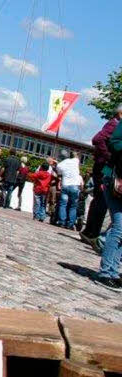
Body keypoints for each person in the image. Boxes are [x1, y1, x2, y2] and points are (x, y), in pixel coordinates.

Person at [82, 106, 122, 249]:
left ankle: (91, 233)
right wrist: (107, 155)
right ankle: (95, 235)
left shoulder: (114, 124)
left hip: (107, 167)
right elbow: (97, 139)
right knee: (103, 198)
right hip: (106, 166)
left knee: (101, 197)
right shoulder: (114, 124)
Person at [95, 121, 122, 290]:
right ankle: (106, 272)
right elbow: (115, 142)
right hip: (116, 178)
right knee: (119, 227)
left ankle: (112, 270)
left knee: (120, 228)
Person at [56, 150, 83, 229]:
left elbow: (58, 168)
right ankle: (70, 224)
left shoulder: (64, 162)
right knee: (73, 206)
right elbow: (77, 156)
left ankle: (62, 222)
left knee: (63, 204)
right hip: (74, 185)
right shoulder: (76, 161)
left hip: (65, 184)